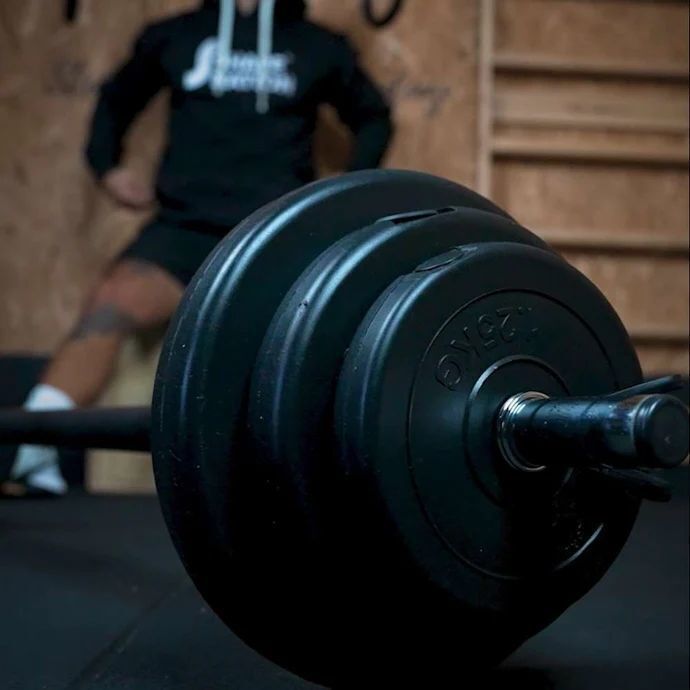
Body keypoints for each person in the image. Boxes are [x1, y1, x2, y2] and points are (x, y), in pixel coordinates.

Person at [2, 0, 392, 497]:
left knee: (310, 343)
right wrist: (108, 166)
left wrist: (342, 192)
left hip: (272, 235)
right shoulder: (177, 35)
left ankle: (316, 489)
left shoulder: (317, 46)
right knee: (107, 309)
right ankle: (32, 455)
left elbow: (374, 117)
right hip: (184, 227)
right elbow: (117, 99)